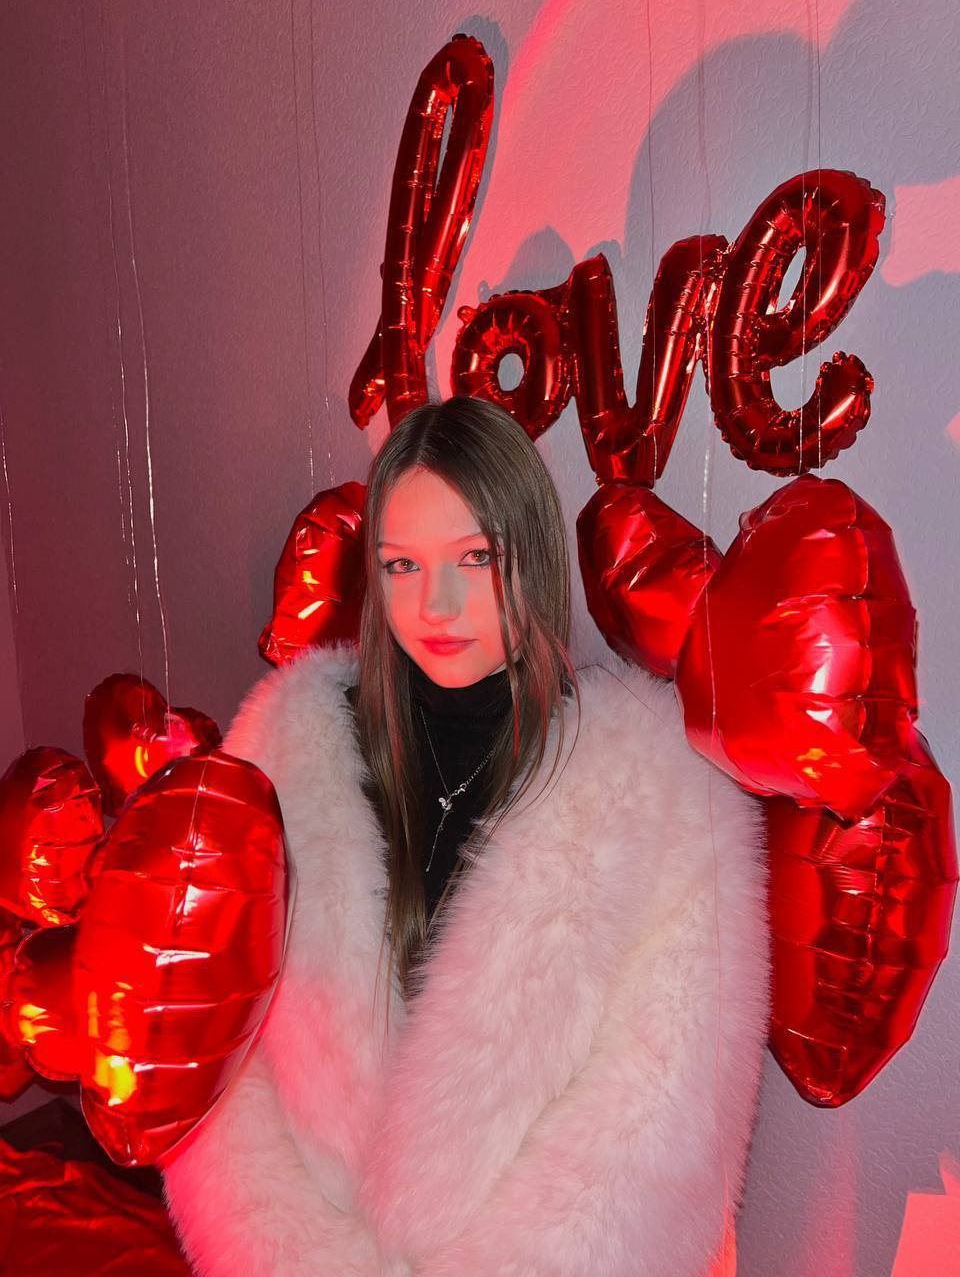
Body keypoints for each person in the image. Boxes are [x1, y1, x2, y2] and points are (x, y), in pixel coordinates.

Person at [161, 395, 771, 1277]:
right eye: (401, 565)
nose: (435, 604)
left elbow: (657, 1128)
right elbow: (220, 1067)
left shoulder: (661, 801)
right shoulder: (281, 763)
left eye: (475, 558)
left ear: (532, 555)